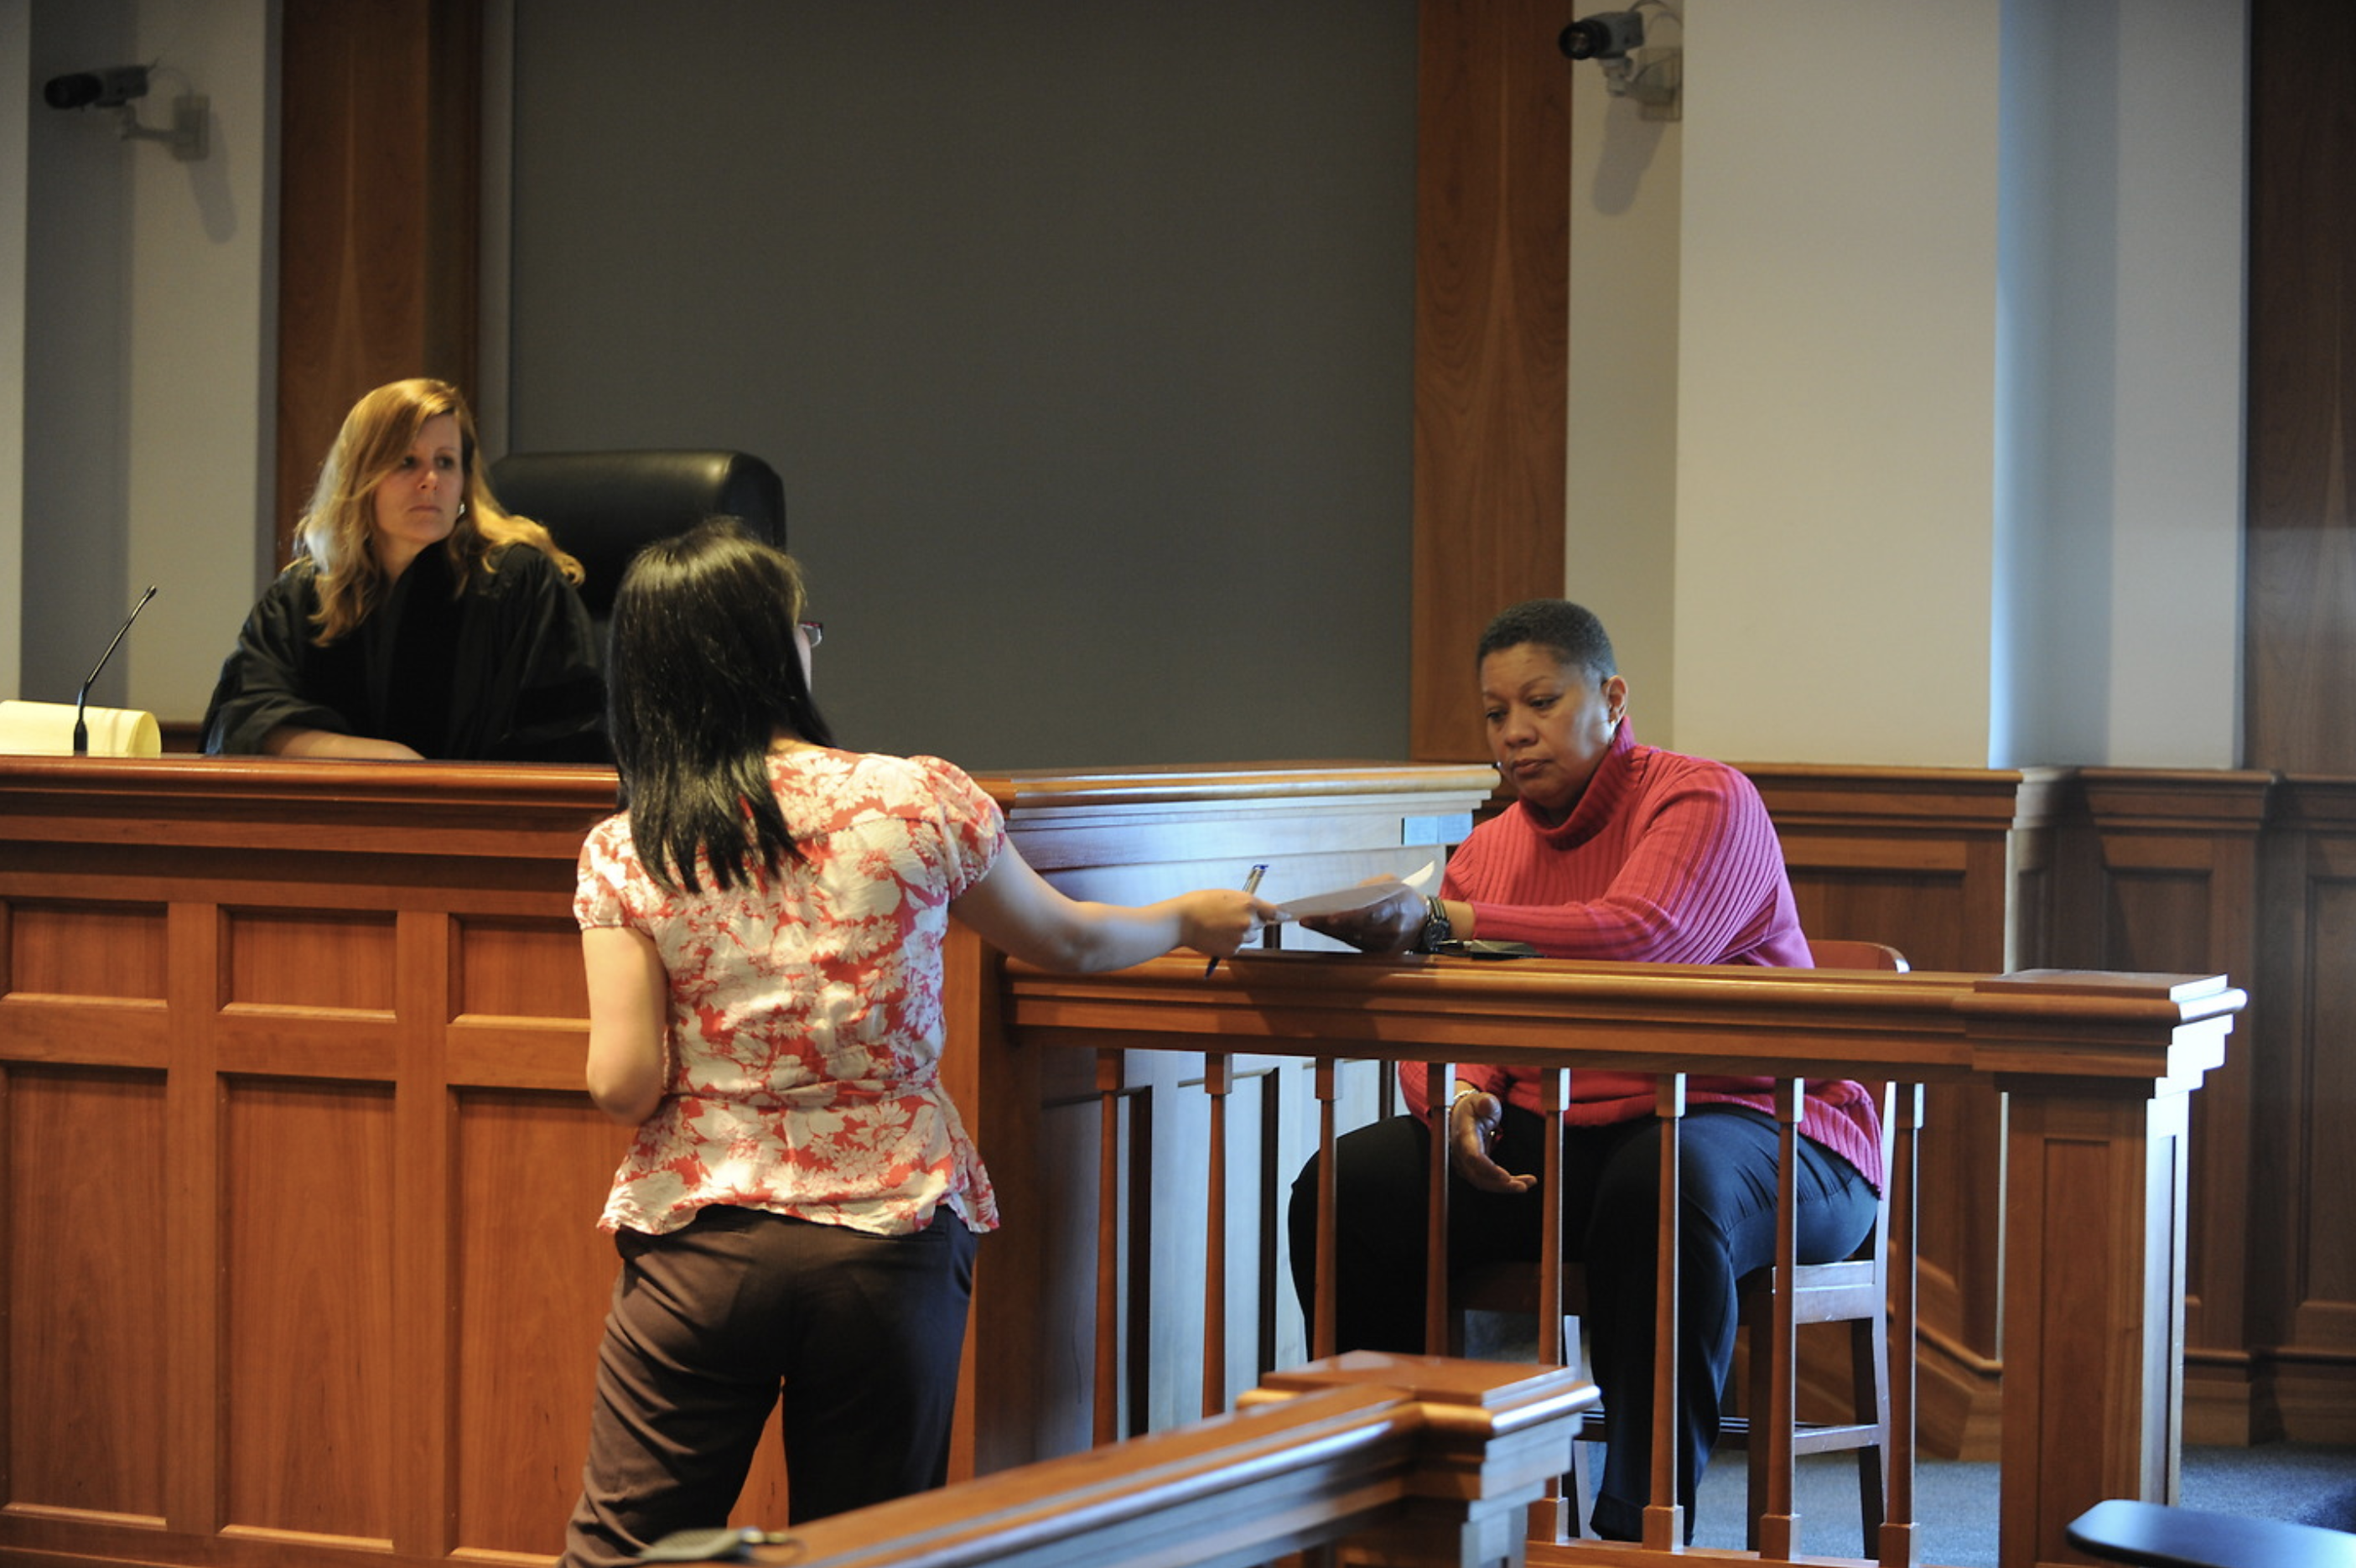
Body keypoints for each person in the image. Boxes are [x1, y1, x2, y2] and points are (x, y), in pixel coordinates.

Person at [559, 519, 1279, 1567]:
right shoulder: (912, 798)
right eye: (801, 626)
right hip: (886, 1233)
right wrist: (1188, 918)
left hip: (702, 1241)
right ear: (769, 650)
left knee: (627, 1549)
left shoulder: (631, 843)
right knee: (867, 1546)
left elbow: (623, 1083)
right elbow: (1068, 939)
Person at [1286, 598, 1882, 1543]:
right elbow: (1440, 1013)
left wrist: (1446, 922)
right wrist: (1463, 1098)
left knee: (1659, 1184)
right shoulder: (1487, 848)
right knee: (1348, 1189)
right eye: (1494, 713)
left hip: (1767, 1126)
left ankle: (1636, 1530)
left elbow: (1647, 941)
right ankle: (1400, 1513)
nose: (1514, 732)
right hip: (1572, 1128)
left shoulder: (1702, 798)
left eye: (1540, 700)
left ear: (1609, 696)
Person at [201, 377, 605, 761]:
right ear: (361, 476)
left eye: (446, 462)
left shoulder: (517, 582)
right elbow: (241, 719)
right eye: (406, 461)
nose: (430, 480)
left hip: (480, 823)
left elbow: (568, 736)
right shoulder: (304, 593)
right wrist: (387, 760)